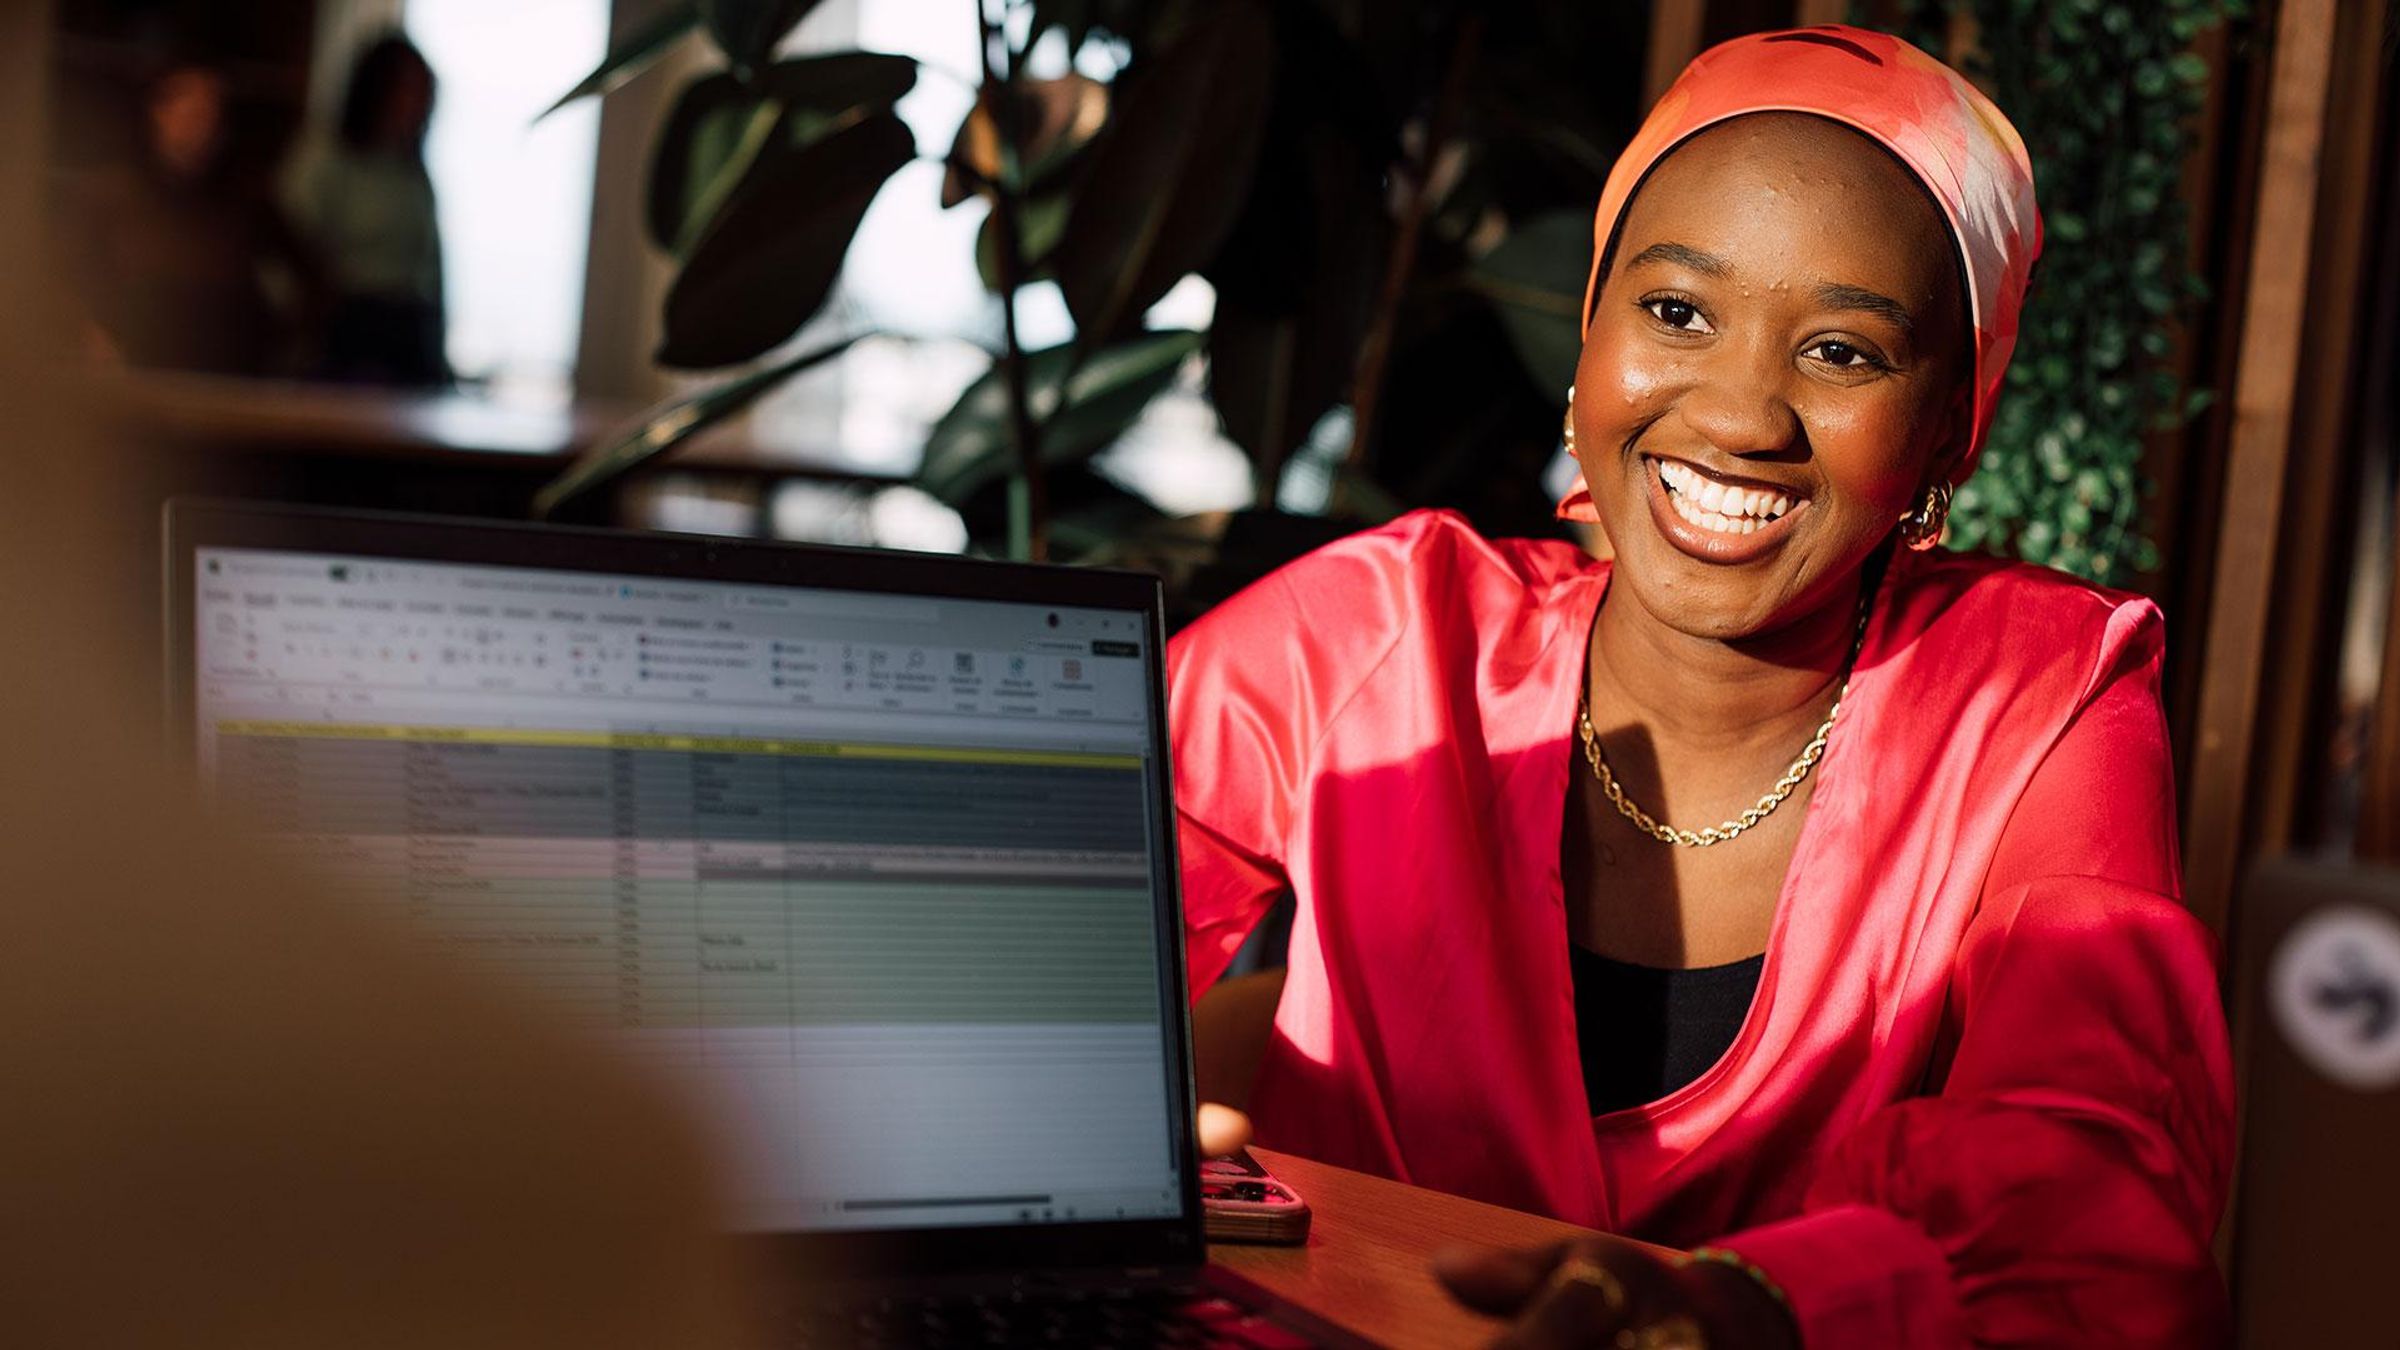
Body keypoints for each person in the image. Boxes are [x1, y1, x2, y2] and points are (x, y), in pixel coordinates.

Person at [1170, 26, 2233, 1348]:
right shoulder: (1372, 636)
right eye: (1676, 312)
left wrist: (1761, 1303)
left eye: (1842, 352)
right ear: (1591, 331)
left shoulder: (2035, 701)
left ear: (1952, 424)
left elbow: (2101, 1183)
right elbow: (1012, 913)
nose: (1737, 413)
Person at [288, 33, 451, 387]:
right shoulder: (326, 159)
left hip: (410, 337)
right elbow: (285, 243)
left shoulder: (412, 173)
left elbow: (432, 269)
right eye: (406, 90)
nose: (415, 104)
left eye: (423, 93)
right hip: (345, 337)